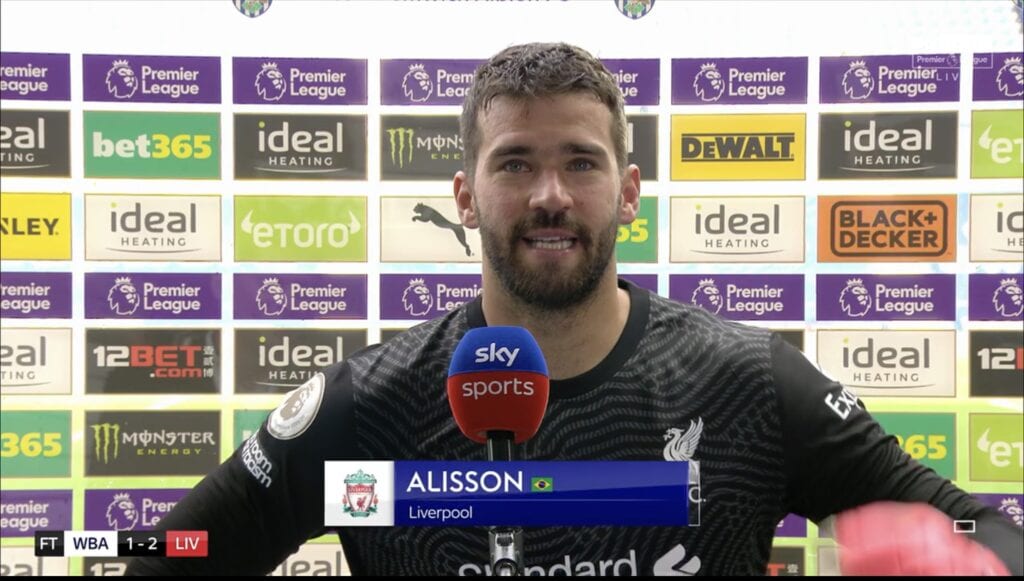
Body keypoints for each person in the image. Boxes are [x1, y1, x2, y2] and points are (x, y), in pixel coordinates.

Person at [126, 42, 1022, 576]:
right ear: (466, 196)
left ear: (627, 191)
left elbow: (982, 529)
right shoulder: (368, 406)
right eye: (514, 162)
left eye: (581, 163)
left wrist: (970, 559)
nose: (550, 194)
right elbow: (173, 557)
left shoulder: (751, 382)